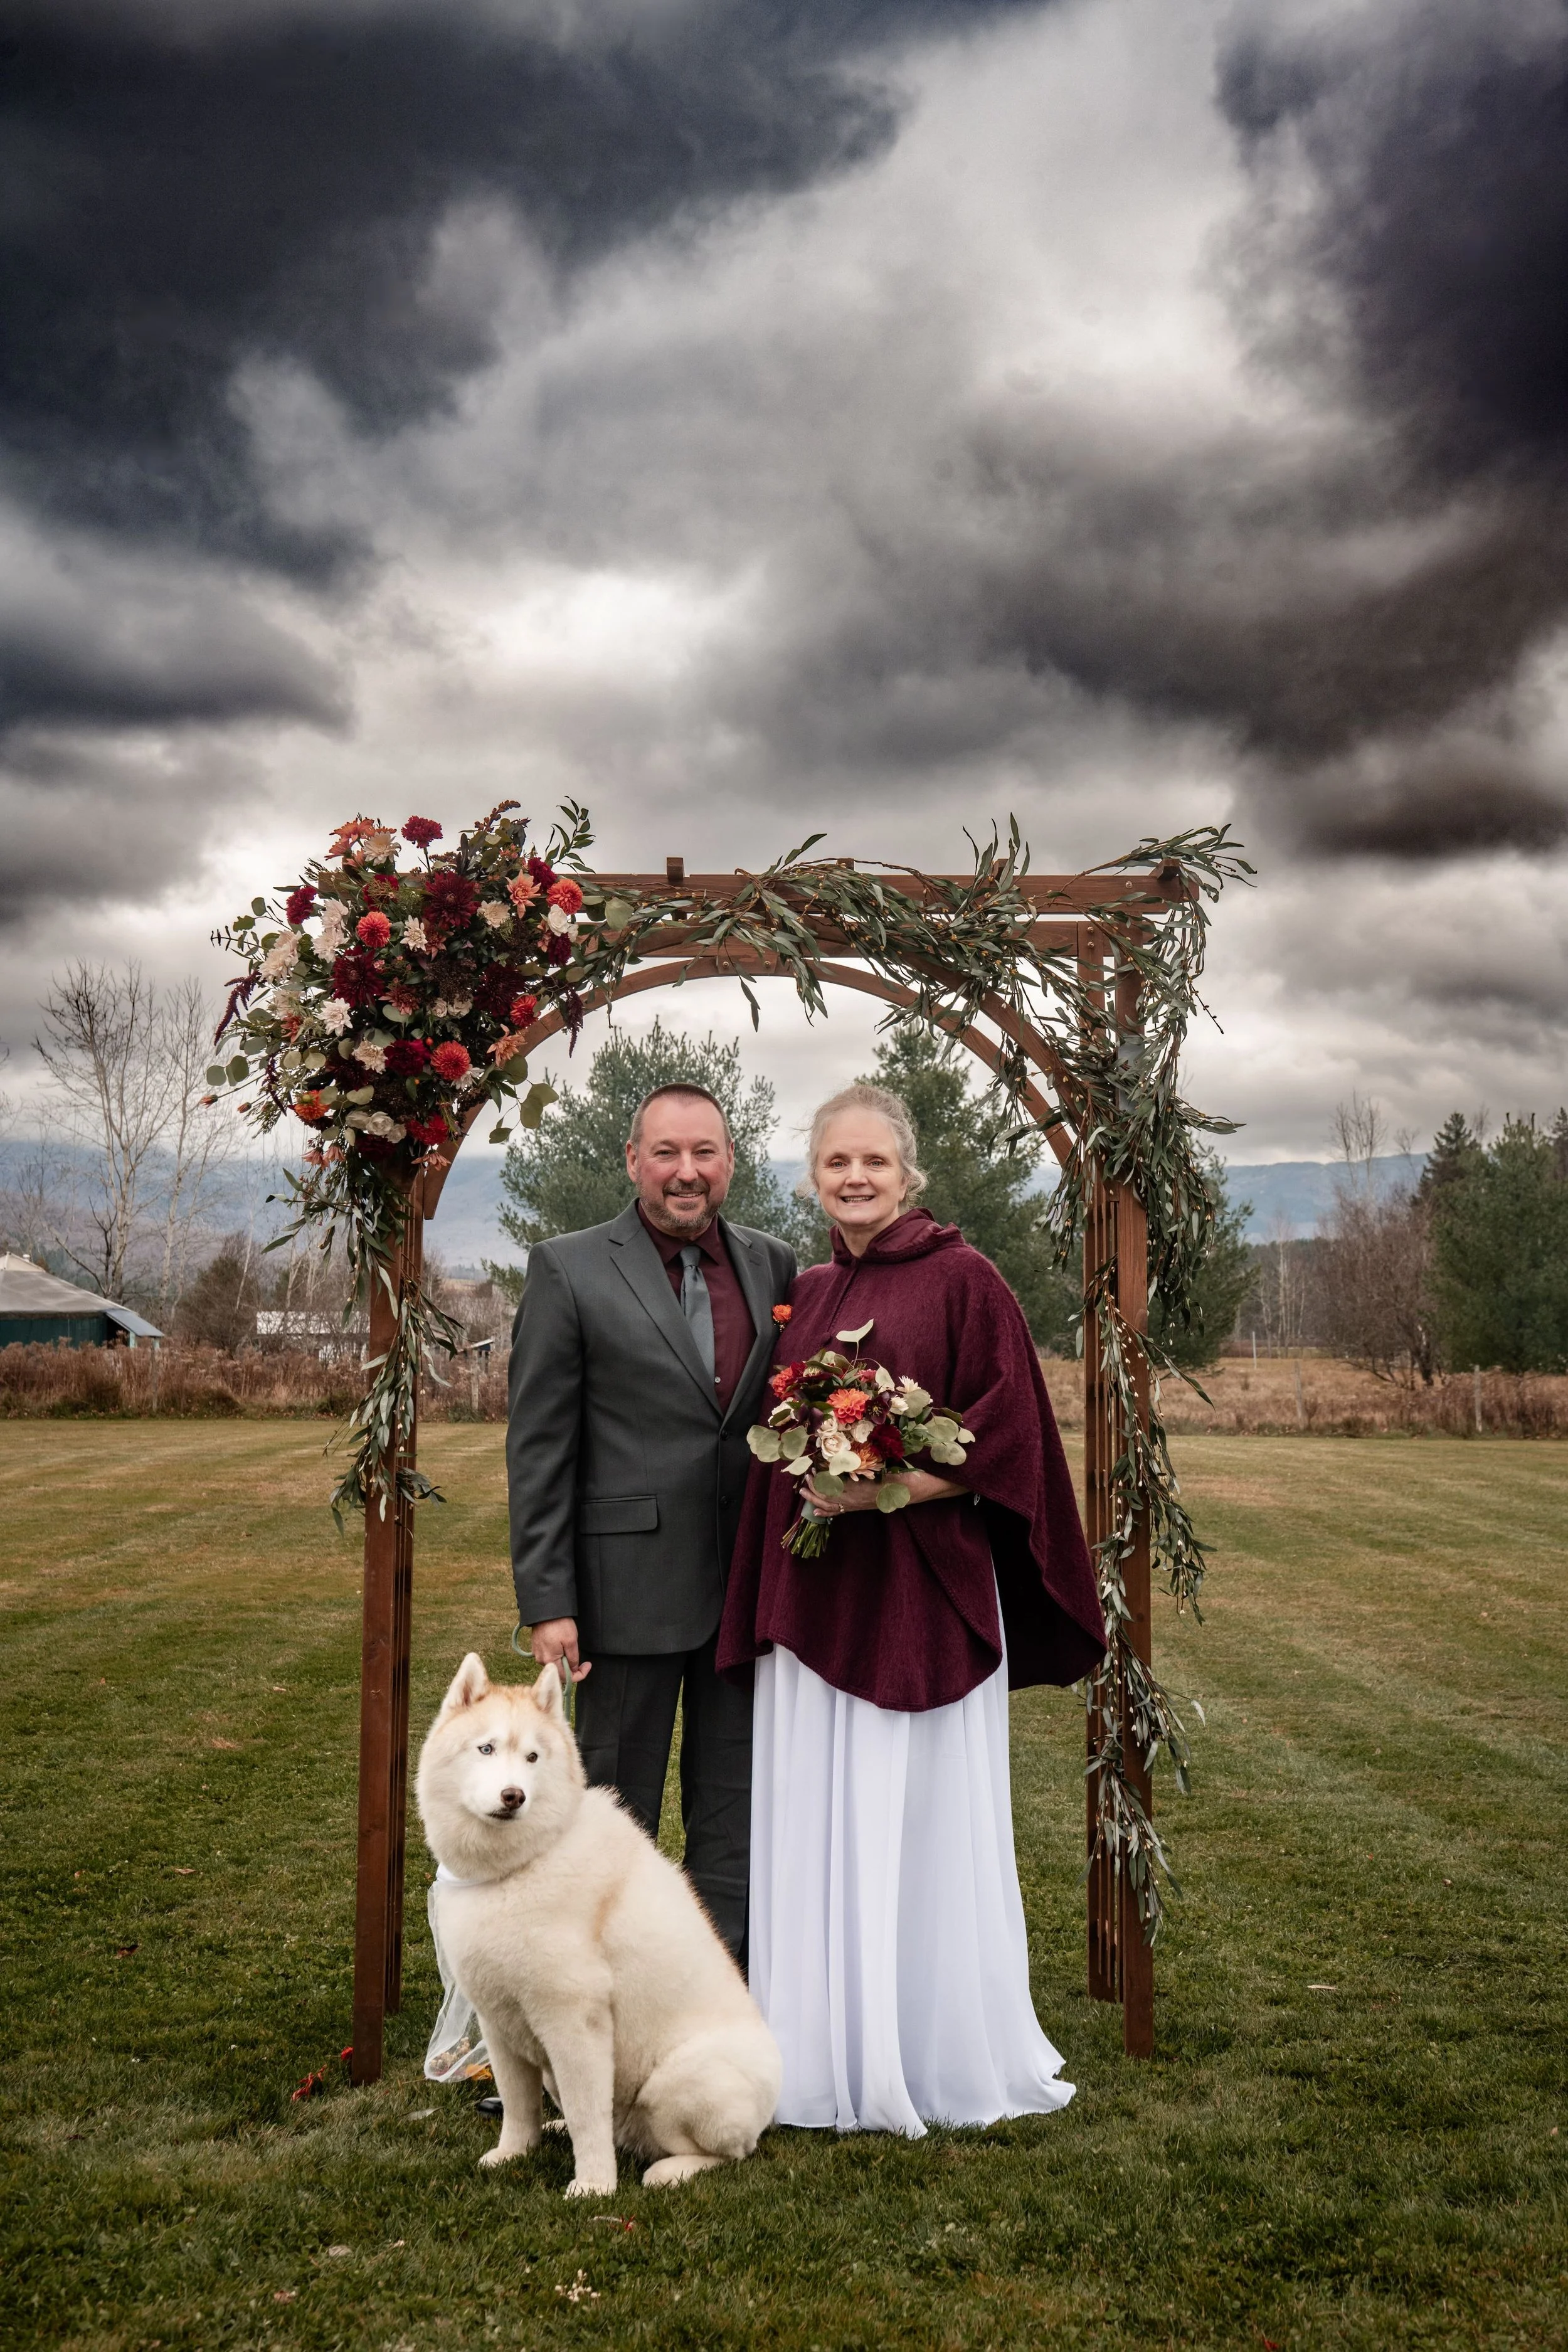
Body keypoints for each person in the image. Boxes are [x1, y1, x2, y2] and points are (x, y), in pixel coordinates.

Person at [716, 1081, 1106, 2136]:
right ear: (813, 1174)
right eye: (836, 1162)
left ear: (907, 1171)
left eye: (874, 1161)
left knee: (914, 1815)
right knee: (820, 1814)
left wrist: (885, 1487)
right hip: (818, 1595)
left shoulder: (966, 1278)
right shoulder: (808, 1290)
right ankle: (817, 2047)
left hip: (923, 1594)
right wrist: (822, 1482)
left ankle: (926, 2049)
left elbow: (1010, 1437)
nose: (855, 1178)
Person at [506, 1081, 797, 1956]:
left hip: (748, 1593)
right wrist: (548, 1600)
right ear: (633, 1160)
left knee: (736, 1814)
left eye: (704, 1152)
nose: (686, 1171)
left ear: (730, 1161)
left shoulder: (775, 1264)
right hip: (622, 1595)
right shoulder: (568, 1267)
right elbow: (540, 1447)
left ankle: (718, 1991)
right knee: (609, 1814)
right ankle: (597, 1989)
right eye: (666, 1152)